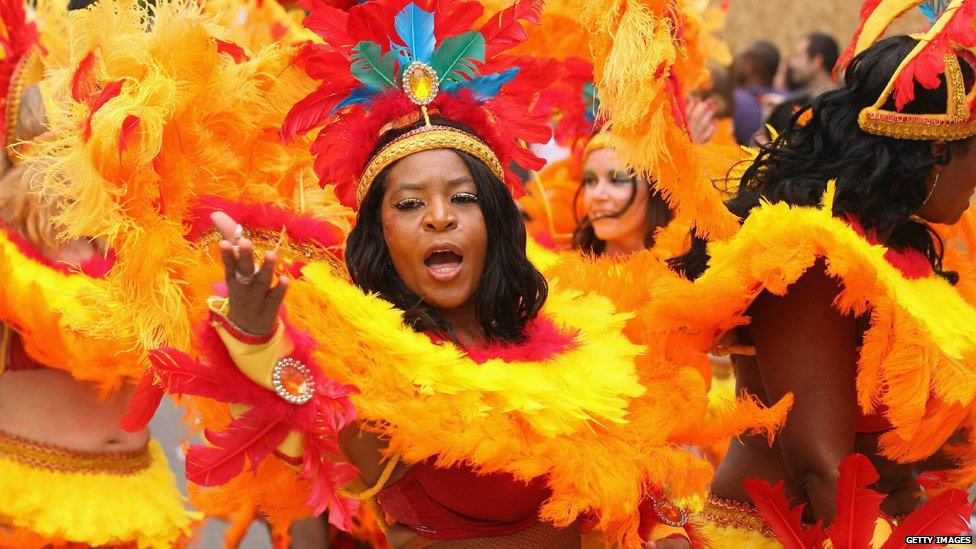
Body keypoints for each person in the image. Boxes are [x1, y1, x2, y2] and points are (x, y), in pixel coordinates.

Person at [32, 1, 782, 547]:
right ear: (379, 234)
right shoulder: (373, 364)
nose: (439, 218)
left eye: (461, 199)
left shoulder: (585, 343)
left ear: (496, 222)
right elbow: (305, 388)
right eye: (410, 203)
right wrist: (257, 332)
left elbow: (631, 483)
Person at [659, 1, 976, 543]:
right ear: (941, 149)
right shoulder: (809, 259)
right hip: (795, 535)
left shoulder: (901, 250)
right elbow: (821, 473)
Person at [0, 1, 196, 546]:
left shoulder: (139, 238)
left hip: (136, 491)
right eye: (62, 118)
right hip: (30, 499)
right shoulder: (7, 247)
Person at [732, 41, 783, 144]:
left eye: (742, 58)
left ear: (750, 67)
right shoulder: (788, 100)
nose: (738, 62)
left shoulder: (735, 100)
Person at [786, 32, 839, 97]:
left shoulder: (845, 103)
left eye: (798, 56)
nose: (792, 63)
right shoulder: (797, 100)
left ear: (816, 62)